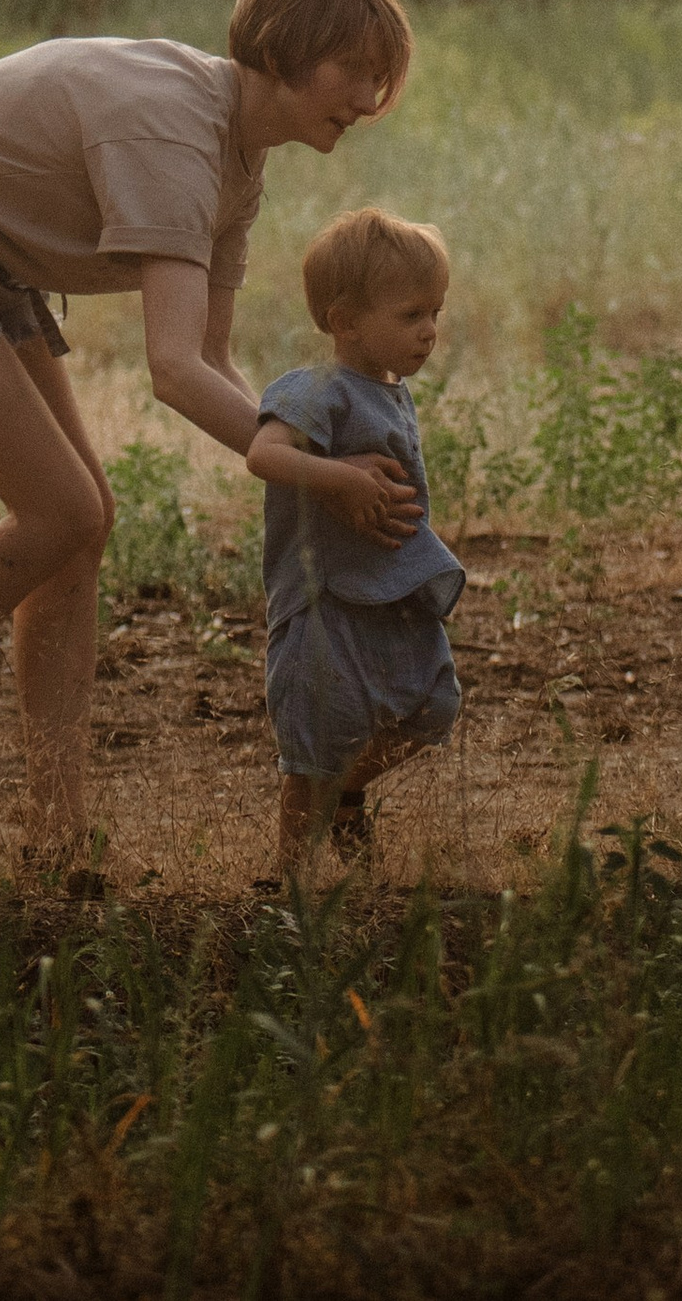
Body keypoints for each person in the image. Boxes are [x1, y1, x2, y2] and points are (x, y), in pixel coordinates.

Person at [0, 0, 422, 859]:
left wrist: (304, 467)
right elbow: (172, 370)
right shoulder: (175, 133)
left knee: (80, 522)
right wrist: (320, 473)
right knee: (60, 510)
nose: (368, 99)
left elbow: (211, 354)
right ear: (283, 50)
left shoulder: (238, 159)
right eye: (354, 71)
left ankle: (56, 830)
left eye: (380, 78)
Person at [246, 205, 464, 872]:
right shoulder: (318, 389)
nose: (429, 331)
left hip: (388, 594)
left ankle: (346, 793)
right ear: (345, 322)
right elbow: (264, 454)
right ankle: (287, 878)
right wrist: (337, 478)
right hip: (326, 600)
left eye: (435, 312)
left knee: (432, 703)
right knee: (314, 738)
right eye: (410, 315)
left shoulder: (392, 392)